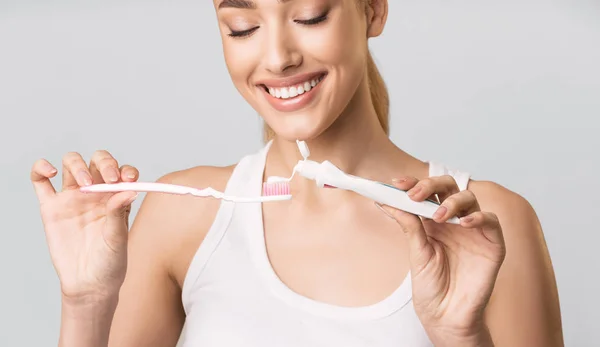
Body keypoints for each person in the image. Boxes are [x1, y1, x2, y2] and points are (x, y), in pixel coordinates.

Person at [30, 0, 564, 346]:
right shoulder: (180, 215)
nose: (278, 57)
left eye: (310, 16)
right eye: (242, 28)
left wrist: (458, 336)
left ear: (373, 11)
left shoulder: (488, 226)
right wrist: (86, 305)